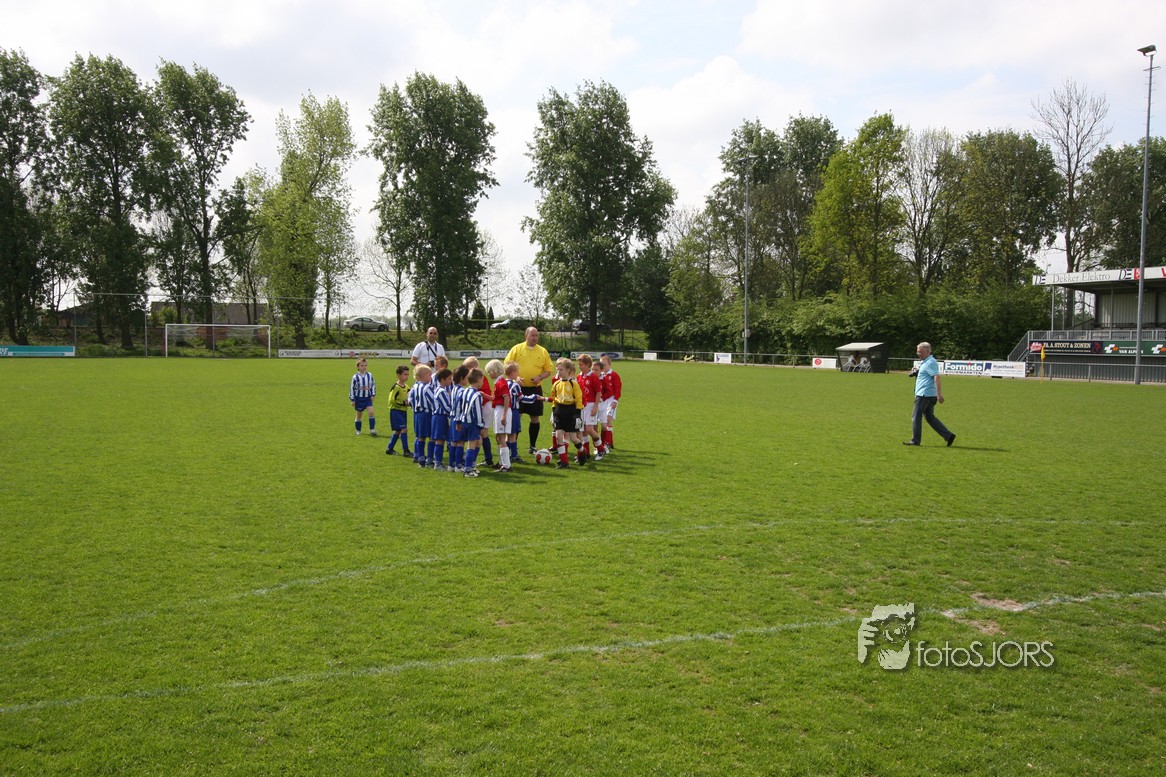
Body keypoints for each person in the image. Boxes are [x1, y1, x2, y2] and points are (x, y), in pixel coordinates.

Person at [505, 327, 555, 454]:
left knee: (535, 417)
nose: (535, 337)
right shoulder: (516, 349)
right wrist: (516, 378)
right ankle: (512, 446)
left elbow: (549, 369)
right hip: (517, 389)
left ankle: (532, 446)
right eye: (532, 335)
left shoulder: (542, 351)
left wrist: (540, 377)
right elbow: (507, 365)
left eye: (536, 335)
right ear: (526, 335)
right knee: (516, 416)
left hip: (535, 389)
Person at [904, 341, 956, 447]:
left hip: (924, 395)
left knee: (916, 416)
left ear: (928, 352)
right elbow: (927, 374)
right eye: (917, 352)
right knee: (930, 417)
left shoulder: (930, 362)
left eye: (920, 352)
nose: (918, 354)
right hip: (928, 394)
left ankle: (915, 441)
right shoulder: (926, 361)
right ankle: (948, 435)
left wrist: (939, 394)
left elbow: (936, 377)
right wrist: (916, 372)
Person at [549, 357, 584, 469]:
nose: (559, 372)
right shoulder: (556, 384)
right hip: (559, 411)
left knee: (573, 438)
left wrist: (577, 413)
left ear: (568, 370)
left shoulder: (574, 384)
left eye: (561, 369)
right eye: (558, 370)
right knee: (559, 436)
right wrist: (554, 410)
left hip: (571, 411)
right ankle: (564, 461)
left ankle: (582, 451)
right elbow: (554, 397)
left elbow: (578, 398)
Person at [575, 354, 606, 464]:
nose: (579, 367)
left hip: (591, 405)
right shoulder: (579, 377)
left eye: (581, 365)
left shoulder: (593, 377)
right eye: (579, 365)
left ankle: (601, 449)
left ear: (588, 364)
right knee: (582, 430)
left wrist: (596, 407)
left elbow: (598, 392)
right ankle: (586, 452)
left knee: (589, 429)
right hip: (581, 406)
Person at [461, 368, 487, 477]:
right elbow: (477, 412)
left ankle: (471, 465)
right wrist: (481, 425)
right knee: (471, 445)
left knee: (478, 441)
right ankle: (467, 470)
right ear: (479, 379)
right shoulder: (477, 395)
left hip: (464, 421)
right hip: (472, 423)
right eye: (483, 379)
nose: (483, 382)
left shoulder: (465, 391)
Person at [428, 368, 454, 470]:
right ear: (443, 379)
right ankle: (437, 463)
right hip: (439, 417)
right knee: (440, 440)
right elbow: (446, 407)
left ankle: (438, 462)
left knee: (441, 439)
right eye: (449, 379)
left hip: (440, 417)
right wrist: (453, 412)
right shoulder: (441, 391)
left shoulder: (441, 390)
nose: (451, 381)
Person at [408, 364, 433, 467]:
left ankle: (420, 458)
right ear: (424, 375)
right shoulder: (427, 387)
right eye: (429, 375)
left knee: (420, 437)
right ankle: (430, 459)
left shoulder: (414, 387)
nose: (431, 377)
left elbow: (409, 400)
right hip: (427, 414)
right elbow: (433, 400)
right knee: (431, 437)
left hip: (417, 415)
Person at [384, 364, 411, 457]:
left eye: (408, 374)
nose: (407, 376)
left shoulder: (407, 387)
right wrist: (403, 403)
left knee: (398, 430)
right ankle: (406, 450)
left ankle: (389, 448)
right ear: (398, 375)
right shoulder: (396, 387)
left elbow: (410, 397)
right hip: (396, 411)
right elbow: (392, 400)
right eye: (405, 374)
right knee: (404, 429)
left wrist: (410, 403)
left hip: (403, 411)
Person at [598, 354, 621, 452]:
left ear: (609, 365)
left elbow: (618, 389)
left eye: (604, 364)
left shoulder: (614, 375)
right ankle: (608, 442)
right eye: (601, 365)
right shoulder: (600, 375)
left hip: (611, 400)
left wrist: (615, 400)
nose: (603, 366)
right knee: (604, 420)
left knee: (608, 419)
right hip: (603, 400)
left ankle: (608, 442)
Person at [349, 358, 377, 436]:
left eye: (365, 365)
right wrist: (352, 399)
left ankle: (372, 429)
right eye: (362, 365)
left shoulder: (370, 375)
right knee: (359, 415)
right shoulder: (355, 377)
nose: (364, 367)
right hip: (359, 399)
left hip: (368, 398)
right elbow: (352, 388)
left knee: (371, 412)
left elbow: (373, 385)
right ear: (358, 367)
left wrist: (373, 394)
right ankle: (358, 430)